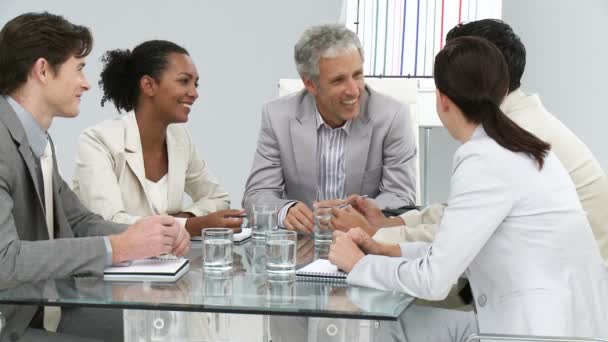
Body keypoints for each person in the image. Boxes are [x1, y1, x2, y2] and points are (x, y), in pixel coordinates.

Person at [329, 36, 608, 340]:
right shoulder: (527, 147)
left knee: (386, 324)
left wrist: (360, 264)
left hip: (534, 332)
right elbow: (460, 248)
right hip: (564, 323)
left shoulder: (483, 158)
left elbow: (434, 280)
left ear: (443, 99)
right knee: (406, 321)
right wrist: (388, 250)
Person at [0, 12, 190, 342]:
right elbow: (5, 261)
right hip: (12, 321)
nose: (87, 83)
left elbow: (80, 220)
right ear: (43, 70)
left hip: (47, 304)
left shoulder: (38, 141)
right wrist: (116, 247)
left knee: (164, 326)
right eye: (79, 68)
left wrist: (149, 234)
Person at [242, 23, 417, 233]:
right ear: (310, 84)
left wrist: (352, 213)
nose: (353, 90)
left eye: (358, 75)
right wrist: (285, 211)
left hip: (365, 246)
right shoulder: (277, 116)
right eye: (338, 80)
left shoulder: (392, 115)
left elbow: (401, 198)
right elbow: (256, 195)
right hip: (303, 245)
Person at [72, 40, 244, 238]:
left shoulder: (179, 138)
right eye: (184, 81)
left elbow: (217, 197)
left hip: (168, 264)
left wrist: (183, 217)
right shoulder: (98, 141)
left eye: (195, 84)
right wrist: (189, 225)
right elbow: (107, 223)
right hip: (110, 266)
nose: (194, 93)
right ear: (148, 85)